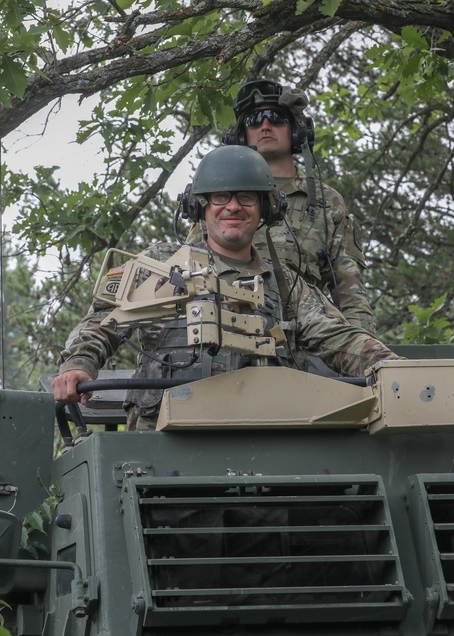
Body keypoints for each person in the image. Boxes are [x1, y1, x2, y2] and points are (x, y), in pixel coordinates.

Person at [52, 145, 400, 431]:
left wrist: (392, 369)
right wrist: (78, 363)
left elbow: (341, 338)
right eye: (220, 196)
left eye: (246, 197)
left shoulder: (285, 283)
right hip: (161, 446)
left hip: (261, 443)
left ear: (266, 209)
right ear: (199, 207)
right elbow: (104, 320)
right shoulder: (161, 263)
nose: (233, 206)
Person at [188, 78, 376, 333]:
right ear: (241, 134)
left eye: (276, 118)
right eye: (255, 120)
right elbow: (189, 269)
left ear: (297, 131)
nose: (265, 126)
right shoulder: (215, 195)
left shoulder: (325, 202)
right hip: (225, 334)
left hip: (303, 341)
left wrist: (366, 361)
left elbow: (350, 294)